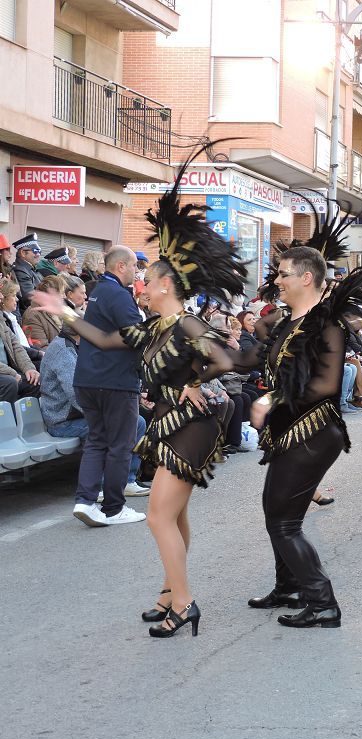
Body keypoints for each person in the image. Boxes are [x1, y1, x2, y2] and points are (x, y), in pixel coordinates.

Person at [33, 153, 247, 638]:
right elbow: (105, 339)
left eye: (147, 282)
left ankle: (185, 602)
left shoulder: (187, 323)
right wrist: (61, 310)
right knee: (174, 515)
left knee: (156, 516)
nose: (141, 288)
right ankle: (171, 590)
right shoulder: (153, 326)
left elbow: (229, 360)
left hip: (192, 425)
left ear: (166, 284)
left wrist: (194, 382)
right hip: (174, 422)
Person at [239, 208, 362, 630]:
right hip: (290, 431)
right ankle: (290, 586)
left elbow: (325, 384)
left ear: (305, 278)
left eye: (283, 274)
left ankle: (323, 603)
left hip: (315, 431)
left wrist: (271, 399)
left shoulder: (326, 325)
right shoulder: (287, 323)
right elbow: (256, 359)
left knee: (285, 521)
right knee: (275, 512)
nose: (276, 280)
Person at [66, 246, 147, 527]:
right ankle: (114, 507)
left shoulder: (99, 291)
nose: (138, 270)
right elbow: (137, 337)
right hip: (115, 380)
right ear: (121, 266)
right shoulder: (118, 295)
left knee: (97, 442)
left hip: (87, 378)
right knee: (120, 446)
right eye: (135, 265)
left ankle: (86, 502)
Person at [38, 324, 149, 496]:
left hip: (81, 414)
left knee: (137, 422)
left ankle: (127, 480)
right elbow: (77, 395)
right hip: (63, 420)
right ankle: (102, 487)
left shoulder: (80, 346)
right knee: (108, 428)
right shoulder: (62, 351)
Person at [0, 290, 40, 404]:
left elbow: (16, 346)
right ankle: (6, 421)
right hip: (5, 374)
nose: (2, 296)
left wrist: (29, 368)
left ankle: (27, 421)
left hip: (7, 372)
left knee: (34, 381)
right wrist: (12, 373)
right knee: (9, 383)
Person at [21, 275, 66, 350]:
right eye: (62, 293)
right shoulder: (33, 316)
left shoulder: (58, 311)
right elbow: (41, 348)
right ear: (51, 295)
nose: (64, 296)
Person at [12, 233, 43, 312]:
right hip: (31, 316)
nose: (38, 254)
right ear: (23, 253)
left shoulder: (31, 269)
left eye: (39, 251)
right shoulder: (20, 270)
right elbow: (30, 298)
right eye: (35, 251)